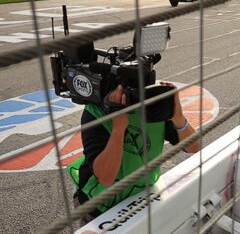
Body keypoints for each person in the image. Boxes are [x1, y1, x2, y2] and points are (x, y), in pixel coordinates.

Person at [67, 82, 201, 222]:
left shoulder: (152, 104)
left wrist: (178, 118)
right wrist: (118, 128)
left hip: (141, 194)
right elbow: (106, 177)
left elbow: (194, 147)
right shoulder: (96, 111)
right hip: (100, 205)